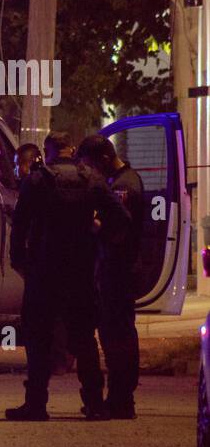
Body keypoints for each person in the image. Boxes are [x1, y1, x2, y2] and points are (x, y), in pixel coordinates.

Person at [6, 131, 127, 421]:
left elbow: (19, 225)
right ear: (70, 149)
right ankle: (95, 404)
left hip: (44, 271)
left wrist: (20, 262)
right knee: (84, 339)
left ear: (48, 151)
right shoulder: (91, 178)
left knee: (39, 341)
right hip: (81, 271)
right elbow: (121, 217)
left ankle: (36, 404)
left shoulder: (37, 180)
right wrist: (99, 235)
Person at [77, 133, 145, 420]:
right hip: (116, 270)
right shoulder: (125, 180)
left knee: (118, 337)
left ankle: (121, 399)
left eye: (92, 164)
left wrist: (92, 226)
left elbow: (117, 230)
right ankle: (119, 398)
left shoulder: (122, 187)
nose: (91, 171)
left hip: (117, 271)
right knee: (118, 335)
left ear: (104, 159)